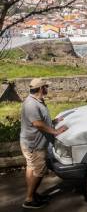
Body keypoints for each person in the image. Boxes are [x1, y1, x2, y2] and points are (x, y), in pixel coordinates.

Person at [20, 78, 68, 209]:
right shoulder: (31, 104)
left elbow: (40, 119)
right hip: (34, 145)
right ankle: (29, 200)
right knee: (39, 171)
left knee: (31, 167)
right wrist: (55, 131)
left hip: (31, 143)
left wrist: (54, 120)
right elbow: (37, 123)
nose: (47, 88)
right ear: (41, 89)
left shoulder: (37, 101)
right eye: (46, 86)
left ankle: (32, 194)